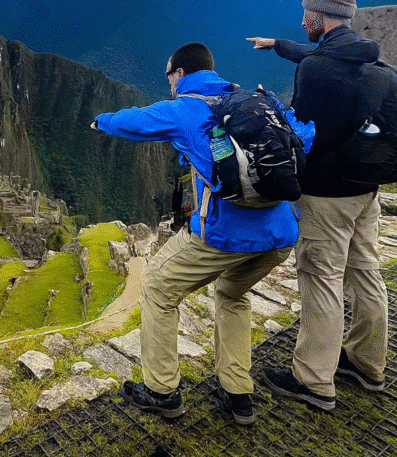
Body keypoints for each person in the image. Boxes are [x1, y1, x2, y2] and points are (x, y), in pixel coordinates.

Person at [91, 42, 299, 425]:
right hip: (282, 234)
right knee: (231, 294)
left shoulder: (186, 108)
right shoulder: (254, 101)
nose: (168, 81)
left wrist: (100, 120)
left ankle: (161, 390)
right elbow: (302, 135)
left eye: (169, 74)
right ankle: (238, 395)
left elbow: (132, 121)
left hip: (227, 234)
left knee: (156, 286)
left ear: (180, 74)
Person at [247, 0, 388, 412]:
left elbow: (302, 133)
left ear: (319, 14)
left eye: (306, 13)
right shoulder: (368, 60)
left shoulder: (316, 69)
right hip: (366, 191)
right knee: (365, 271)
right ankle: (366, 364)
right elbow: (317, 52)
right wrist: (279, 45)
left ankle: (313, 380)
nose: (302, 19)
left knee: (321, 279)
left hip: (327, 195)